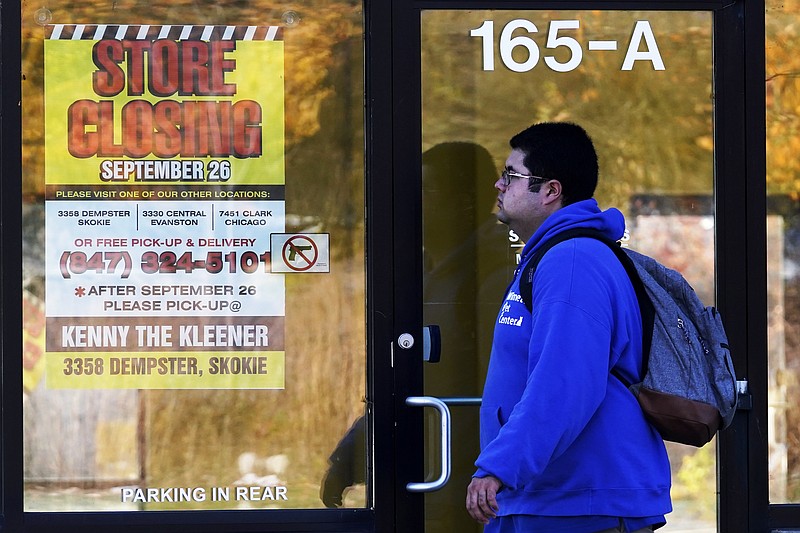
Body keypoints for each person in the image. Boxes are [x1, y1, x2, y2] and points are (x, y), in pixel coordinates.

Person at [465, 122, 672, 533]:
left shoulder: (572, 261)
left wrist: (500, 466)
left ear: (551, 191)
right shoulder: (552, 256)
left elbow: (565, 382)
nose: (498, 184)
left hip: (580, 505)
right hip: (552, 498)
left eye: (511, 175)